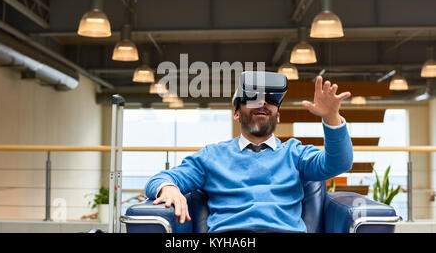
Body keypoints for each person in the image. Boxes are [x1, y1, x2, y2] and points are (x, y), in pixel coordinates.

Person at [144, 72, 353, 233]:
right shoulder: (211, 156)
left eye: (271, 100)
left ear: (277, 116)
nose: (263, 103)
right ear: (236, 113)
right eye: (252, 98)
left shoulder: (295, 153)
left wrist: (331, 118)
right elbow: (160, 179)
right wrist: (168, 188)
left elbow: (338, 163)